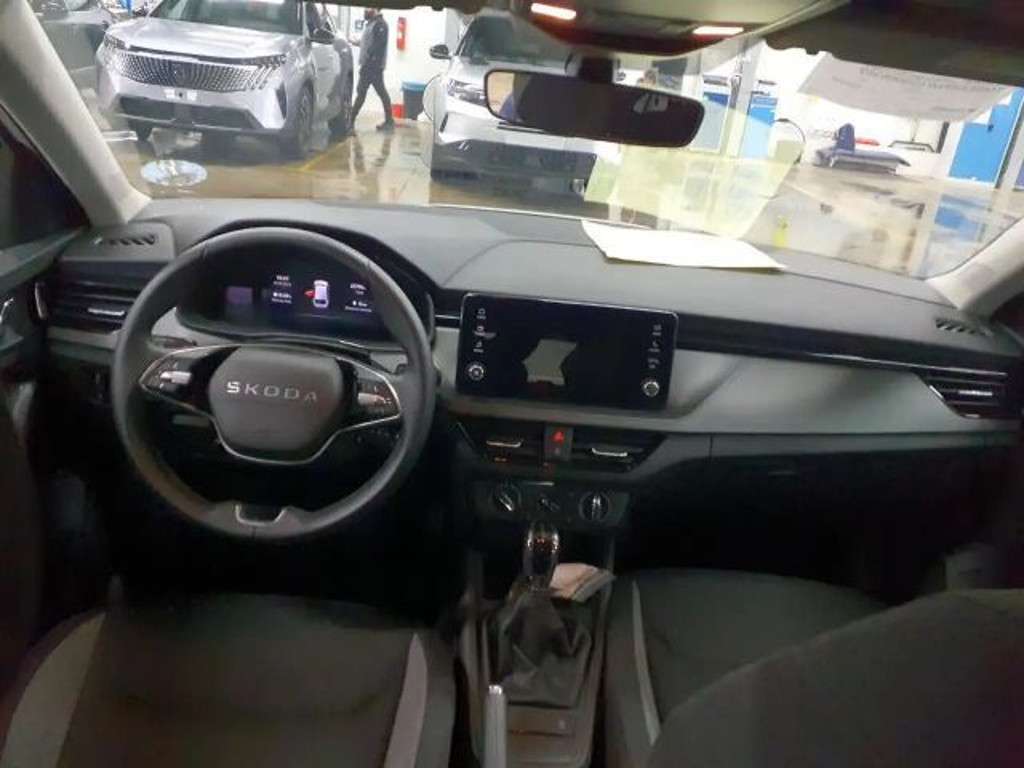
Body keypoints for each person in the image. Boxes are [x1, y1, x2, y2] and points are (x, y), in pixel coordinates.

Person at [350, 8, 394, 132]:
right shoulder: (371, 24)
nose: (365, 10)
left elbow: (378, 45)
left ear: (375, 9)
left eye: (368, 8)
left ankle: (350, 122)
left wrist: (368, 60)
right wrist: (357, 42)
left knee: (362, 93)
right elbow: (369, 42)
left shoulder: (380, 25)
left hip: (372, 67)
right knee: (379, 93)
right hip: (370, 65)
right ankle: (389, 121)